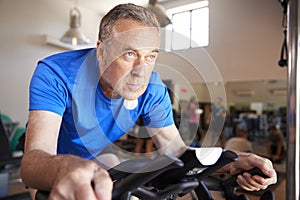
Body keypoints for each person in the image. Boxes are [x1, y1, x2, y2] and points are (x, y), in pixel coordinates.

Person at [21, 3, 276, 200]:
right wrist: (68, 167)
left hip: (101, 158)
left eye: (151, 56)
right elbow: (33, 160)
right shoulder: (55, 74)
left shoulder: (153, 89)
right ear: (101, 50)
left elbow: (175, 152)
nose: (141, 70)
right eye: (129, 54)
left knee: (115, 169)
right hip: (55, 163)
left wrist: (231, 161)